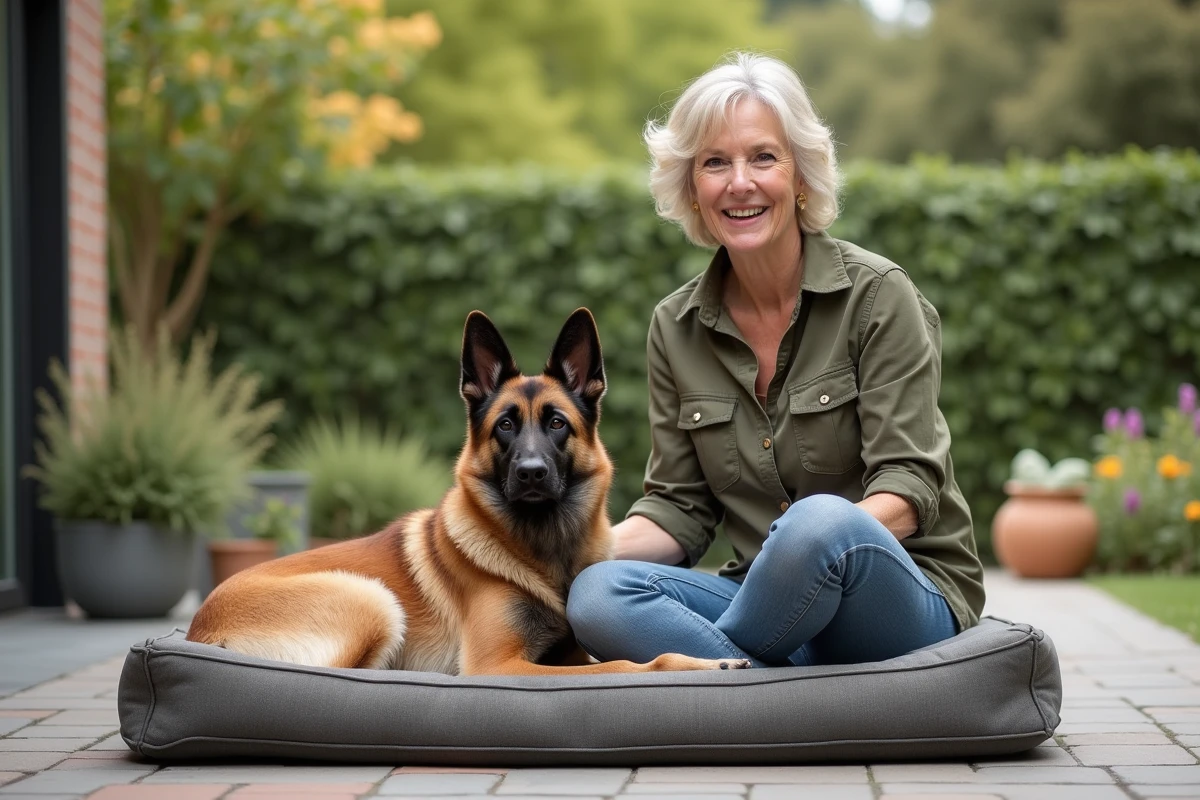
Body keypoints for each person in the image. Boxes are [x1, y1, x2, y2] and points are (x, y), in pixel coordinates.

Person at [565, 52, 985, 668]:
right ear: (692, 189)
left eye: (763, 157)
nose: (740, 182)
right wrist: (570, 549)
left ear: (801, 175)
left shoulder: (877, 296)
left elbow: (907, 489)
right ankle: (772, 683)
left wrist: (809, 552)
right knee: (597, 594)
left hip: (897, 589)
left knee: (820, 524)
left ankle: (733, 675)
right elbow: (680, 510)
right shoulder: (675, 327)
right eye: (715, 163)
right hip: (762, 597)